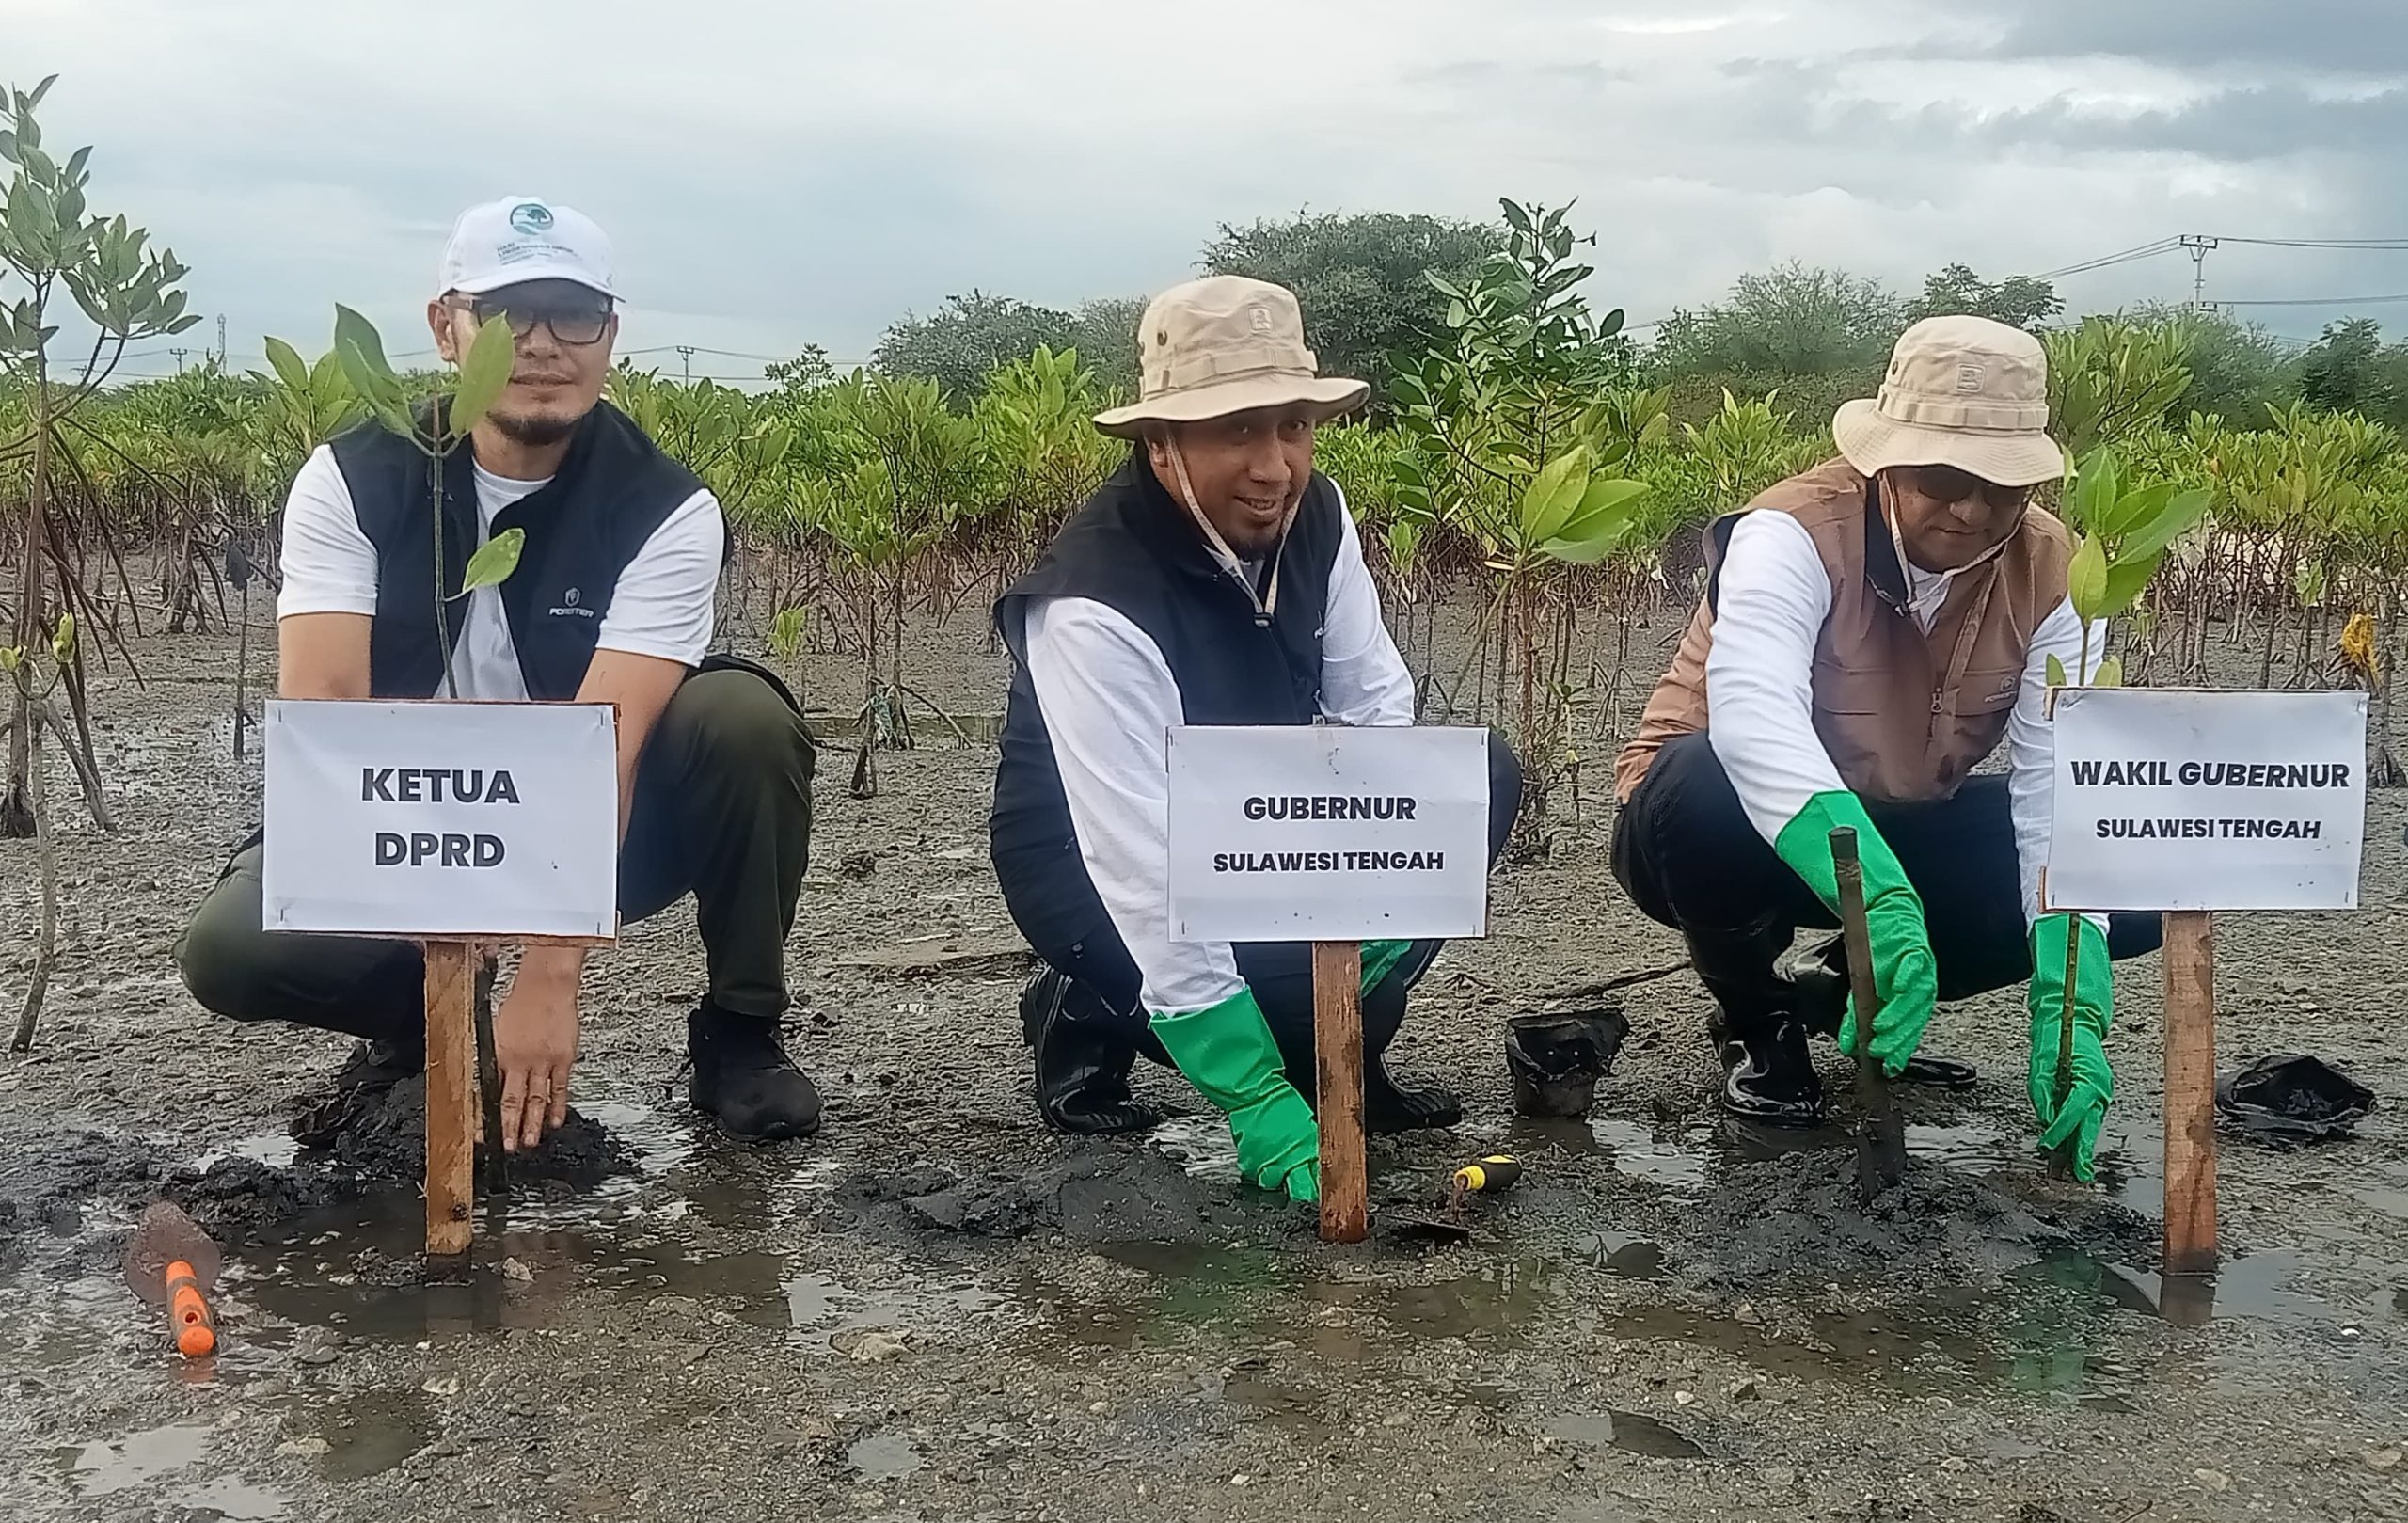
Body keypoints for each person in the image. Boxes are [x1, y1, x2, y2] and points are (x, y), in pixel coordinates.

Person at [175, 197, 822, 1150]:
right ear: (449, 328)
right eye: (510, 313)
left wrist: (550, 974)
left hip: (597, 837)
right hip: (394, 819)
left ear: (611, 335)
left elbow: (609, 739)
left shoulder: (666, 508)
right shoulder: (353, 478)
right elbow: (329, 718)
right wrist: (437, 920)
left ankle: (739, 1030)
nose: (544, 343)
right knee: (229, 945)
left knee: (740, 717)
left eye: (575, 314)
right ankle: (418, 1024)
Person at [988, 276, 1521, 1201]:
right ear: (1161, 441)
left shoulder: (1321, 512)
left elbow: (1372, 706)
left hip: (1248, 816)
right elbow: (1138, 858)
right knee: (1261, 1017)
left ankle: (1340, 1047)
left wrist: (1367, 900)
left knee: (1473, 781)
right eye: (1236, 429)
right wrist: (1247, 1092)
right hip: (1087, 856)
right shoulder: (1092, 602)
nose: (1275, 466)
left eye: (1293, 427)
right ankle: (1091, 1004)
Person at [1610, 315, 2160, 1179]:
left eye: (2005, 486)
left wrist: (2072, 1001)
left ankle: (1835, 991)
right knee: (1700, 776)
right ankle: (1760, 1024)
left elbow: (2061, 778)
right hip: (1717, 831)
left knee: (2140, 873)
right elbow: (1755, 719)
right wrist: (1884, 901)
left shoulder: (2058, 569)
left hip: (1902, 818)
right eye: (1944, 477)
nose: (1973, 508)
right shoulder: (1789, 530)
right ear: (1889, 462)